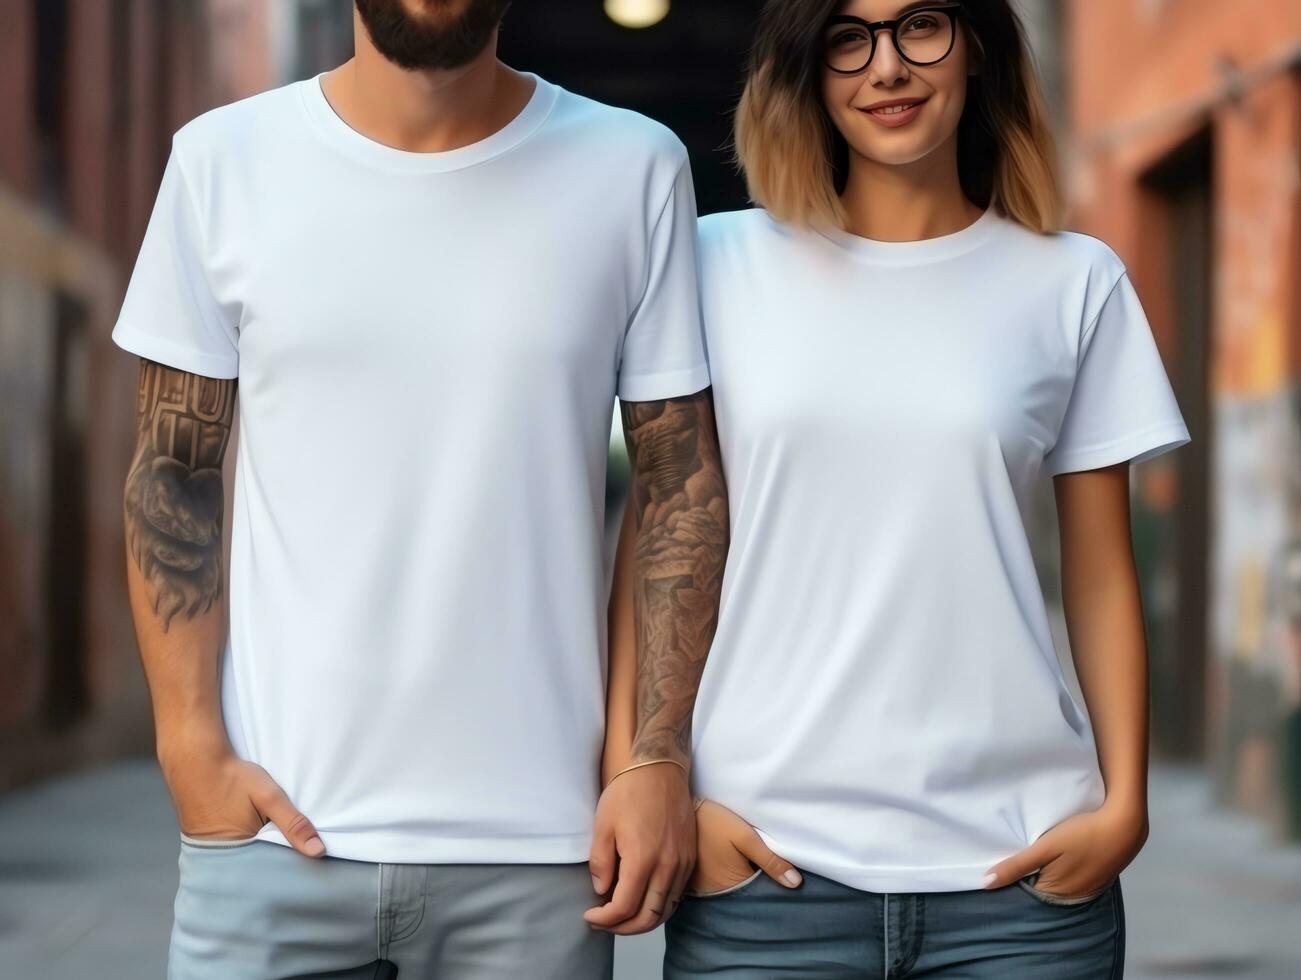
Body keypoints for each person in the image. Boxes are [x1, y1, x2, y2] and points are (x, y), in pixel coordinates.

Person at [114, 1, 726, 976]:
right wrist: (189, 744)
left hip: (535, 859)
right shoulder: (221, 162)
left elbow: (674, 491)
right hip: (274, 845)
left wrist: (649, 756)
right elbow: (172, 473)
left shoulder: (630, 167)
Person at [605, 0, 1191, 976]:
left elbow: (1097, 569)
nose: (885, 66)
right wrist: (644, 769)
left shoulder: (1072, 281)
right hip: (763, 876)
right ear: (807, 72)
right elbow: (657, 537)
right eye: (846, 37)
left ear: (976, 50)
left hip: (1020, 887)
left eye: (919, 26)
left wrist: (1123, 803)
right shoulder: (712, 266)